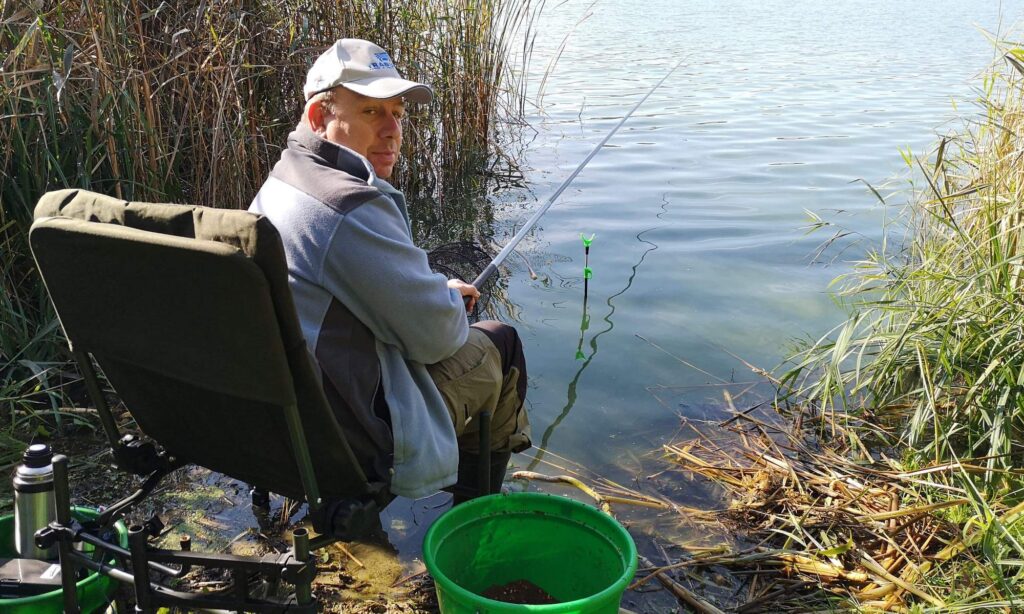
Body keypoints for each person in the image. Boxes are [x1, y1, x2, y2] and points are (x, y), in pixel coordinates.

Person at [249, 39, 531, 503]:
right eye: (371, 113)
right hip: (354, 433)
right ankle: (473, 524)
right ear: (320, 118)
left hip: (293, 415)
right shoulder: (348, 205)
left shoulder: (281, 181)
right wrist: (444, 304)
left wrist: (435, 291)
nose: (393, 131)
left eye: (397, 113)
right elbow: (438, 339)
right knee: (500, 342)